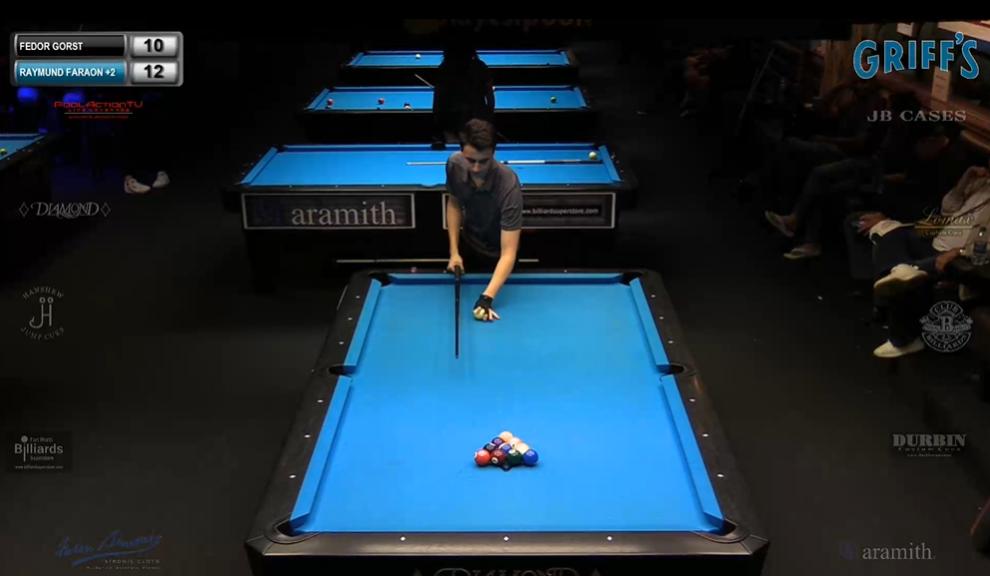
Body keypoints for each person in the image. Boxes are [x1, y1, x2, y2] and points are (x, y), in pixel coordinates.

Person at [864, 162, 990, 357]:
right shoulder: (982, 184)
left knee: (906, 276)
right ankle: (900, 270)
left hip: (960, 257)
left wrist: (960, 251)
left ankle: (903, 339)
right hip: (936, 241)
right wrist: (965, 180)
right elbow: (948, 209)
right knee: (889, 233)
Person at [445, 119, 522, 322]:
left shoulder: (509, 185)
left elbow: (509, 253)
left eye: (484, 161)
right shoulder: (454, 164)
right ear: (462, 152)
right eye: (471, 160)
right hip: (469, 246)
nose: (477, 168)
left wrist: (486, 298)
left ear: (493, 154)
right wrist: (454, 252)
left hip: (499, 257)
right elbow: (454, 203)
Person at [432, 42, 495, 148]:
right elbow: (490, 96)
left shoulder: (444, 68)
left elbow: (437, 100)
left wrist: (438, 123)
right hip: (469, 118)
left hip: (456, 119)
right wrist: (489, 116)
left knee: (457, 149)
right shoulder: (480, 66)